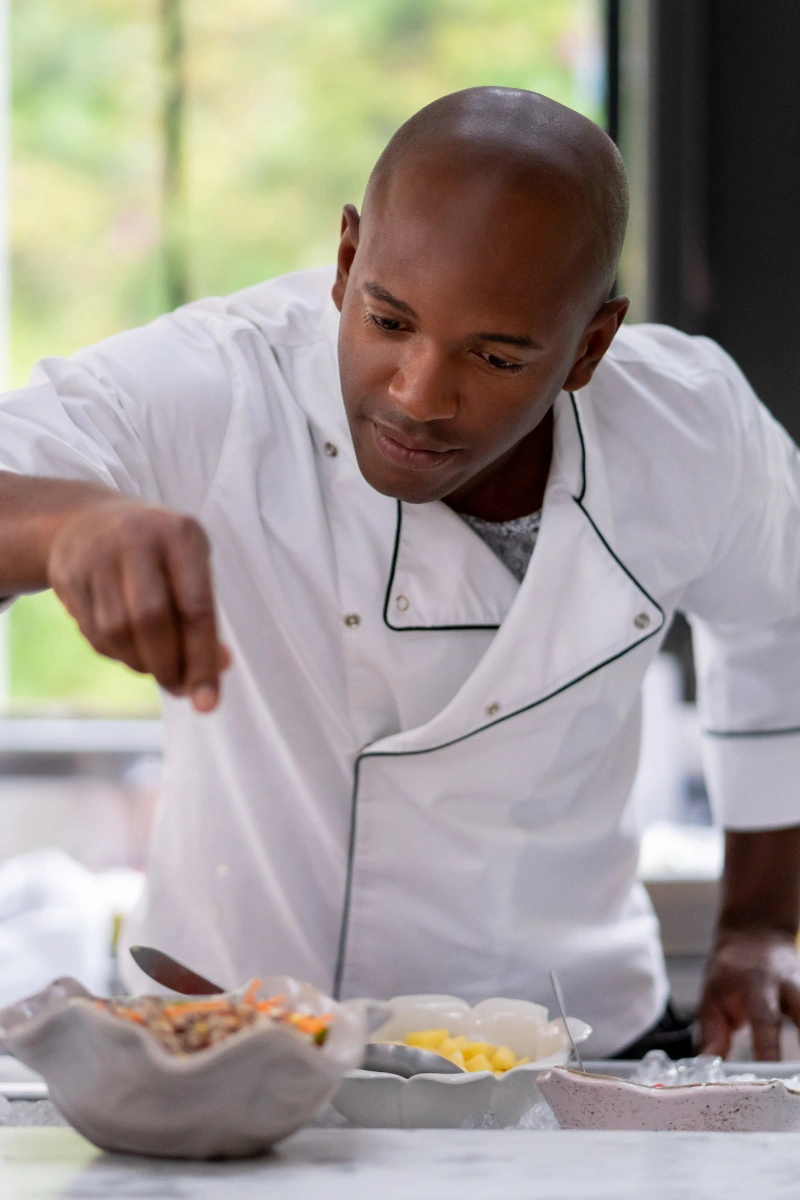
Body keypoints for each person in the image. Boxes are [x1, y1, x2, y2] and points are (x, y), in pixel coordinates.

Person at [1, 86, 799, 1059]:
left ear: (589, 345)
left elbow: (780, 625)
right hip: (232, 1051)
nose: (417, 396)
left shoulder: (687, 429)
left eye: (495, 357)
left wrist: (760, 923)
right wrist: (69, 523)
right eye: (386, 321)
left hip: (581, 1049)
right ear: (344, 264)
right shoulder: (220, 383)